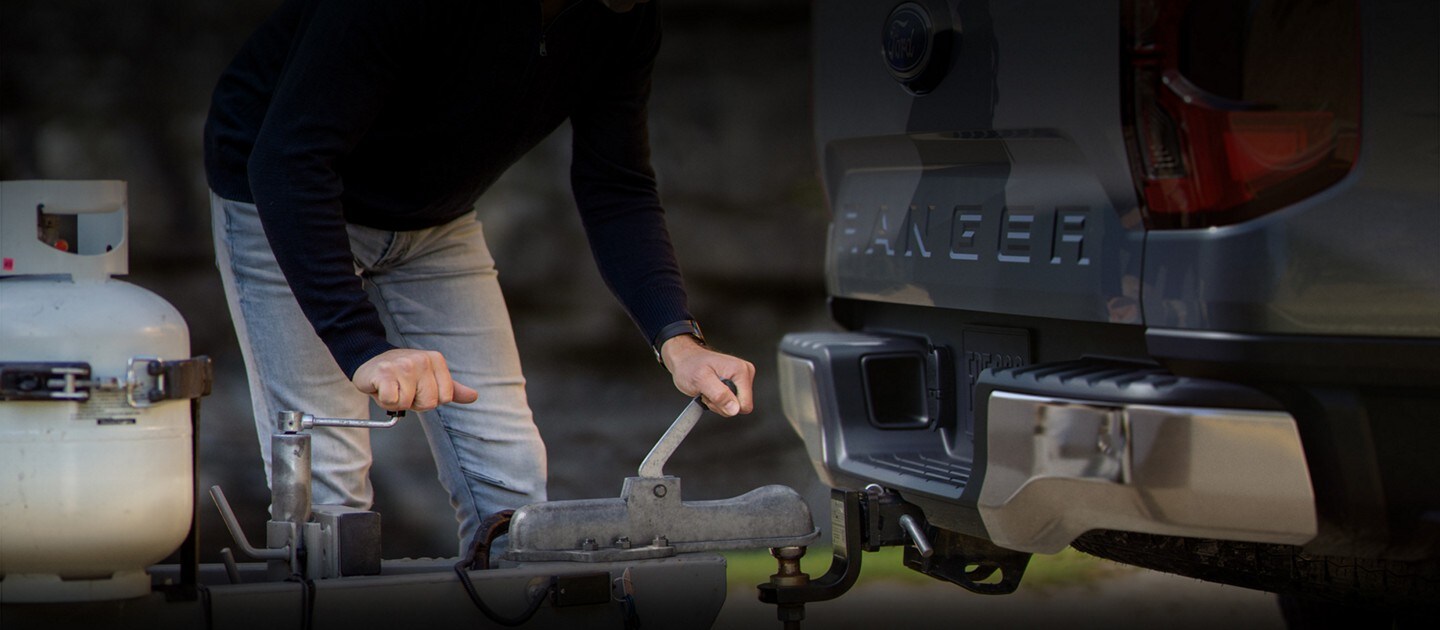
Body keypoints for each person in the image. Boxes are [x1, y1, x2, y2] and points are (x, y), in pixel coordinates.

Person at [203, 0, 755, 553]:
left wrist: (678, 340)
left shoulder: (625, 14)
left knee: (514, 493)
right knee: (327, 491)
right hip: (283, 201)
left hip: (435, 224)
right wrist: (360, 343)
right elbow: (288, 159)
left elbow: (618, 184)